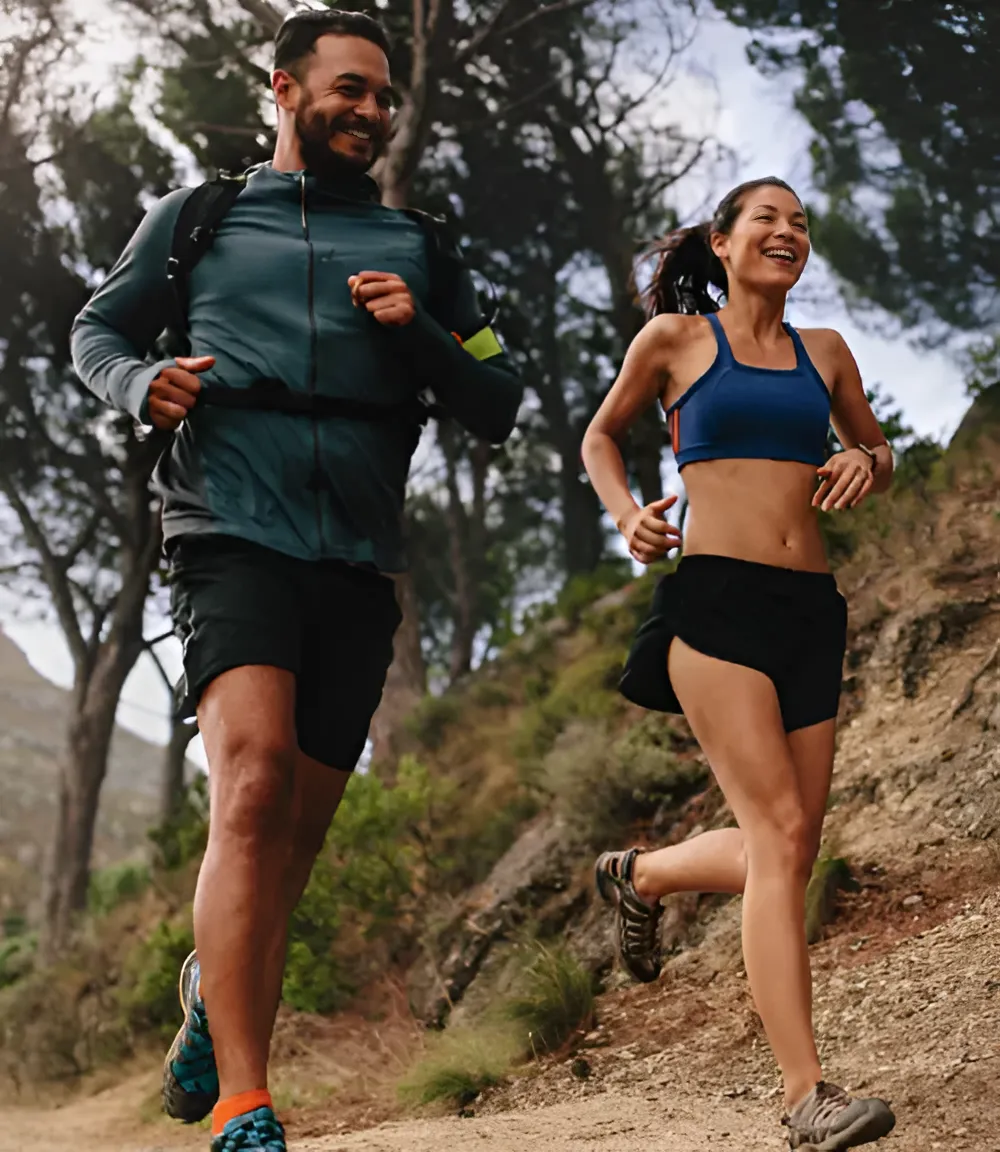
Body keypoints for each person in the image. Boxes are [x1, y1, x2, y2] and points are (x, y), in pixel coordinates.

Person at [71, 9, 522, 1152]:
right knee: (254, 789)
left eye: (382, 97)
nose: (371, 111)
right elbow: (97, 330)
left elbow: (496, 394)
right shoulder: (200, 217)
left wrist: (419, 330)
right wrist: (141, 385)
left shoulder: (422, 246)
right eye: (350, 90)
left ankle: (205, 1000)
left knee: (300, 839)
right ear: (284, 89)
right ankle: (245, 1102)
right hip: (228, 525)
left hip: (359, 556)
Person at [582, 177, 896, 1151]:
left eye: (800, 223)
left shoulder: (826, 353)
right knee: (778, 831)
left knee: (790, 846)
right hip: (712, 602)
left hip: (810, 609)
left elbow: (874, 447)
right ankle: (807, 1096)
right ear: (720, 242)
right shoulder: (676, 341)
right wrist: (627, 512)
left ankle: (643, 876)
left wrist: (865, 461)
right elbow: (601, 435)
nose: (787, 233)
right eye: (767, 218)